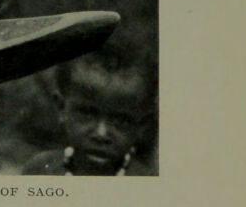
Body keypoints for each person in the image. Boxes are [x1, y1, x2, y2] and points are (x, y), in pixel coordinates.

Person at [21, 50, 157, 176]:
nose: (101, 134)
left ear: (142, 125)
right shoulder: (40, 170)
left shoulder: (148, 183)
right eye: (87, 114)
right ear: (61, 108)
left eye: (121, 121)